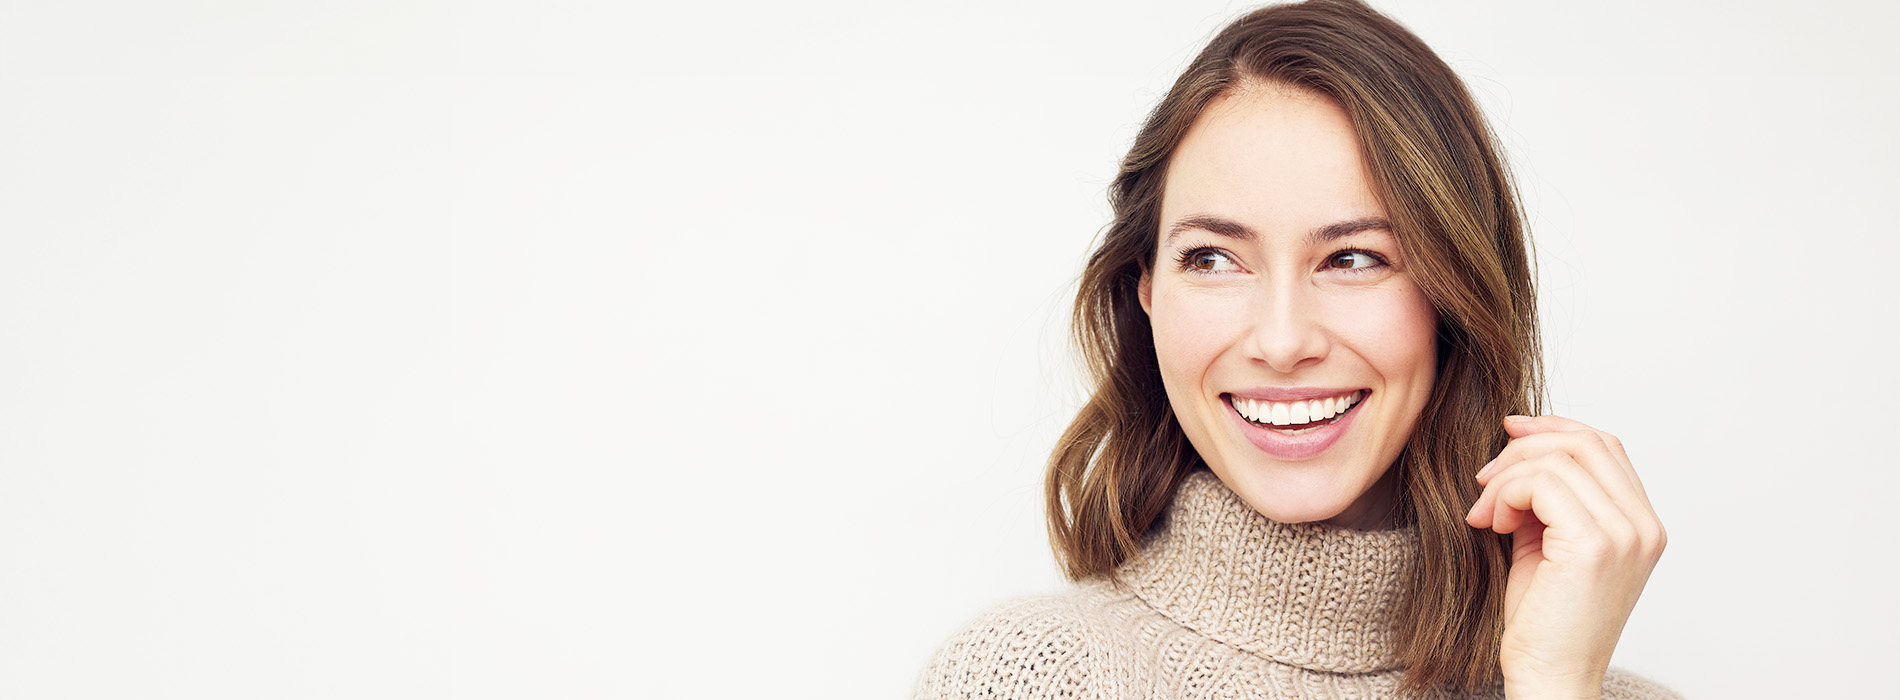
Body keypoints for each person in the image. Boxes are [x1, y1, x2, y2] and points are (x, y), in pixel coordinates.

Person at [913, 1, 1673, 698]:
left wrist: (1550, 681)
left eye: (1353, 259)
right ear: (1144, 287)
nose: (1281, 343)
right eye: (1213, 258)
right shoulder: (1031, 676)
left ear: (1458, 290)